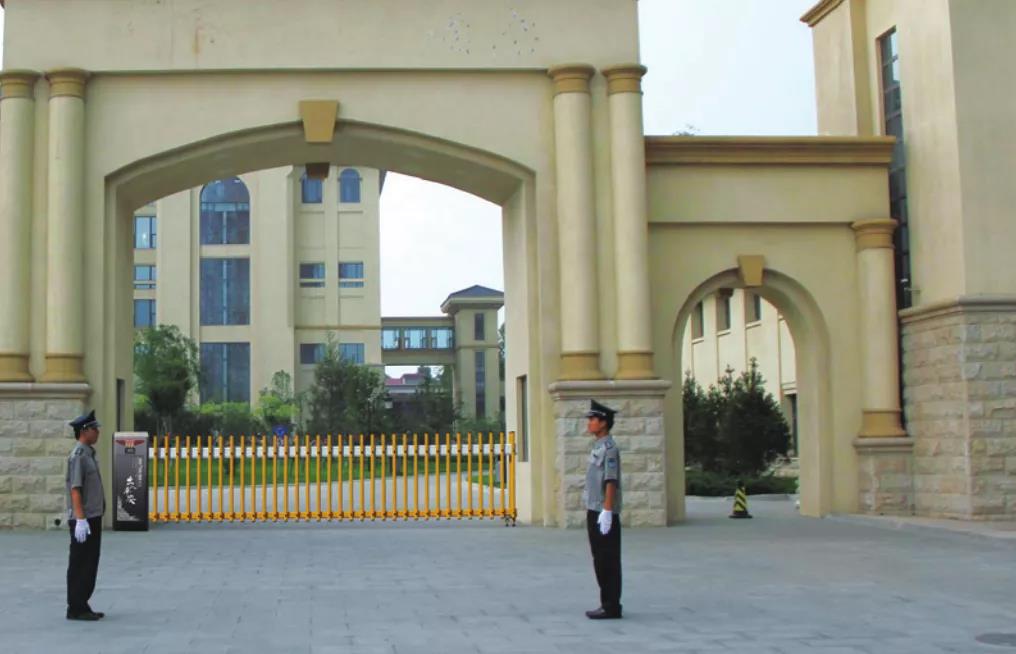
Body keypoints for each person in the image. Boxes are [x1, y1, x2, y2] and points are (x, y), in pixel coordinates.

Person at [582, 399, 623, 619]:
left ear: (604, 422)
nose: (589, 422)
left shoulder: (609, 449)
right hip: (594, 510)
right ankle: (606, 602)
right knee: (599, 559)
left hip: (603, 512)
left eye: (593, 419)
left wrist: (607, 511)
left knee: (608, 560)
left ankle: (611, 606)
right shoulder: (598, 446)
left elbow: (610, 481)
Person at [65, 410, 105, 621]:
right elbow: (75, 489)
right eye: (94, 429)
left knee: (90, 562)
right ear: (84, 431)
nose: (97, 432)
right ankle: (76, 607)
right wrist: (80, 519)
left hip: (92, 517)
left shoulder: (88, 453)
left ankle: (83, 604)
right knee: (80, 563)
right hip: (84, 519)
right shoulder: (78, 456)